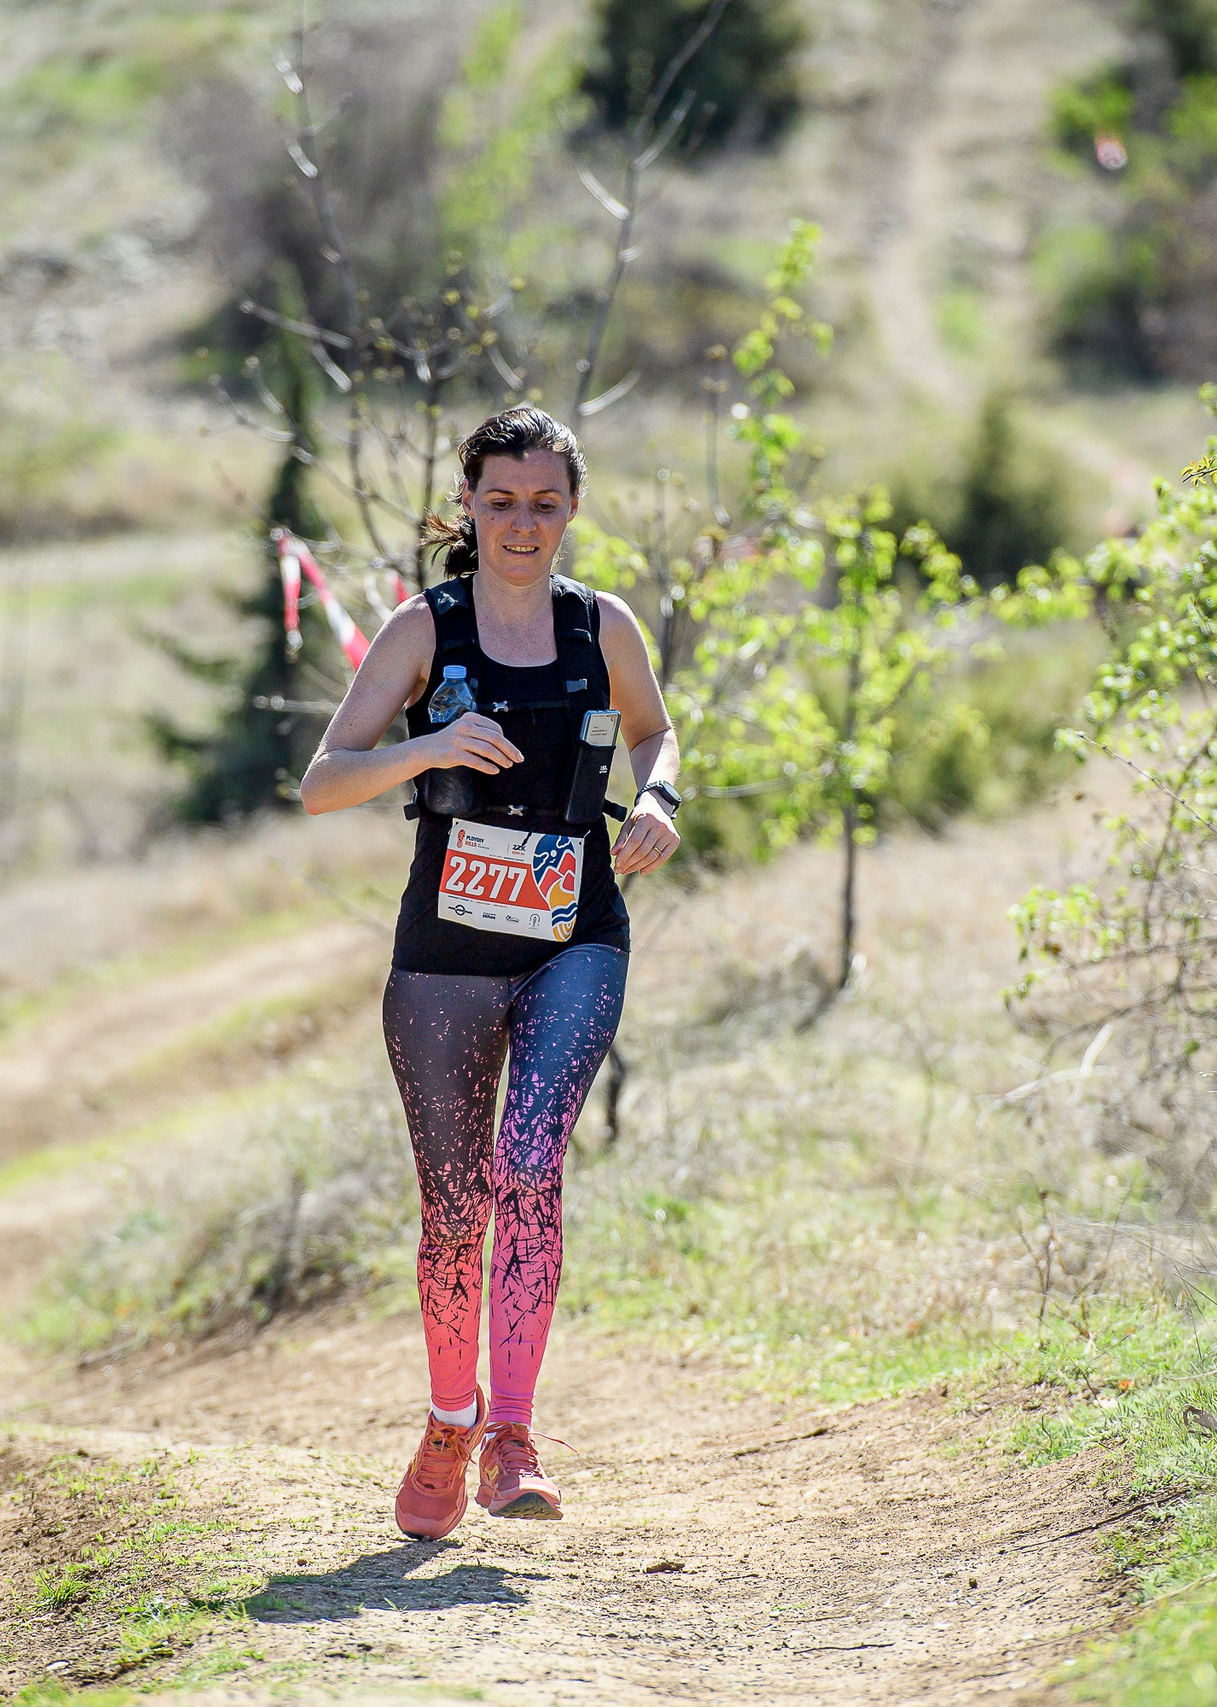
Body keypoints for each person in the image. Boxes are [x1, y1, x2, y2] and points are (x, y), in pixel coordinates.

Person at [300, 406, 682, 1537]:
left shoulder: (600, 624)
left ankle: (514, 1434)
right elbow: (324, 780)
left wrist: (658, 797)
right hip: (446, 957)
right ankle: (446, 1422)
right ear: (467, 504)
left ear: (572, 509)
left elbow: (655, 730)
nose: (524, 523)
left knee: (529, 1169)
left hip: (577, 935)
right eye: (502, 500)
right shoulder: (424, 629)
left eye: (546, 502)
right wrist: (427, 747)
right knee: (455, 1207)